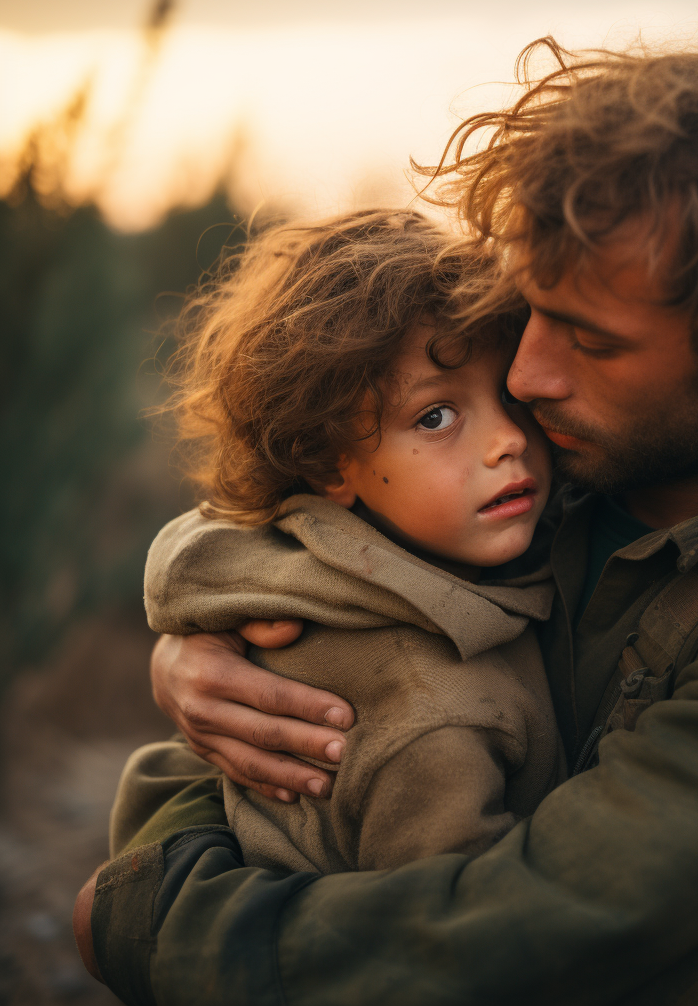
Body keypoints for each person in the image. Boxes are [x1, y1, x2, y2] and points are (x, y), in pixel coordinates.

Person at [76, 35, 698, 1005]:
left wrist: (155, 915)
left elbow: (520, 948)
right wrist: (202, 635)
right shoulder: (565, 455)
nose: (524, 377)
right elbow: (297, 533)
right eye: (526, 315)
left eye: (591, 340)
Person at [117, 209, 564, 877]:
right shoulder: (434, 721)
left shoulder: (436, 548)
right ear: (330, 468)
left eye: (509, 393)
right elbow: (457, 936)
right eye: (436, 416)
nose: (508, 439)